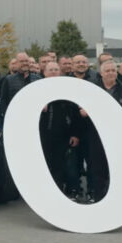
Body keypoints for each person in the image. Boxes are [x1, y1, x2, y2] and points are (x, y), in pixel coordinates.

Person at [82, 60, 122, 203]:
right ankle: (98, 196)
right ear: (101, 73)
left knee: (116, 167)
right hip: (96, 135)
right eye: (107, 71)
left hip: (117, 136)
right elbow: (81, 109)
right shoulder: (92, 88)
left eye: (113, 70)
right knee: (96, 166)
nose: (111, 73)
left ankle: (117, 198)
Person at [38, 62, 81, 199]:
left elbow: (75, 114)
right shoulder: (36, 89)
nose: (53, 72)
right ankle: (44, 192)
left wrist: (75, 133)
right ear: (44, 72)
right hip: (43, 135)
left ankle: (58, 192)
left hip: (63, 135)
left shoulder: (67, 89)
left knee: (60, 165)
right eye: (50, 70)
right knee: (44, 165)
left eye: (56, 70)